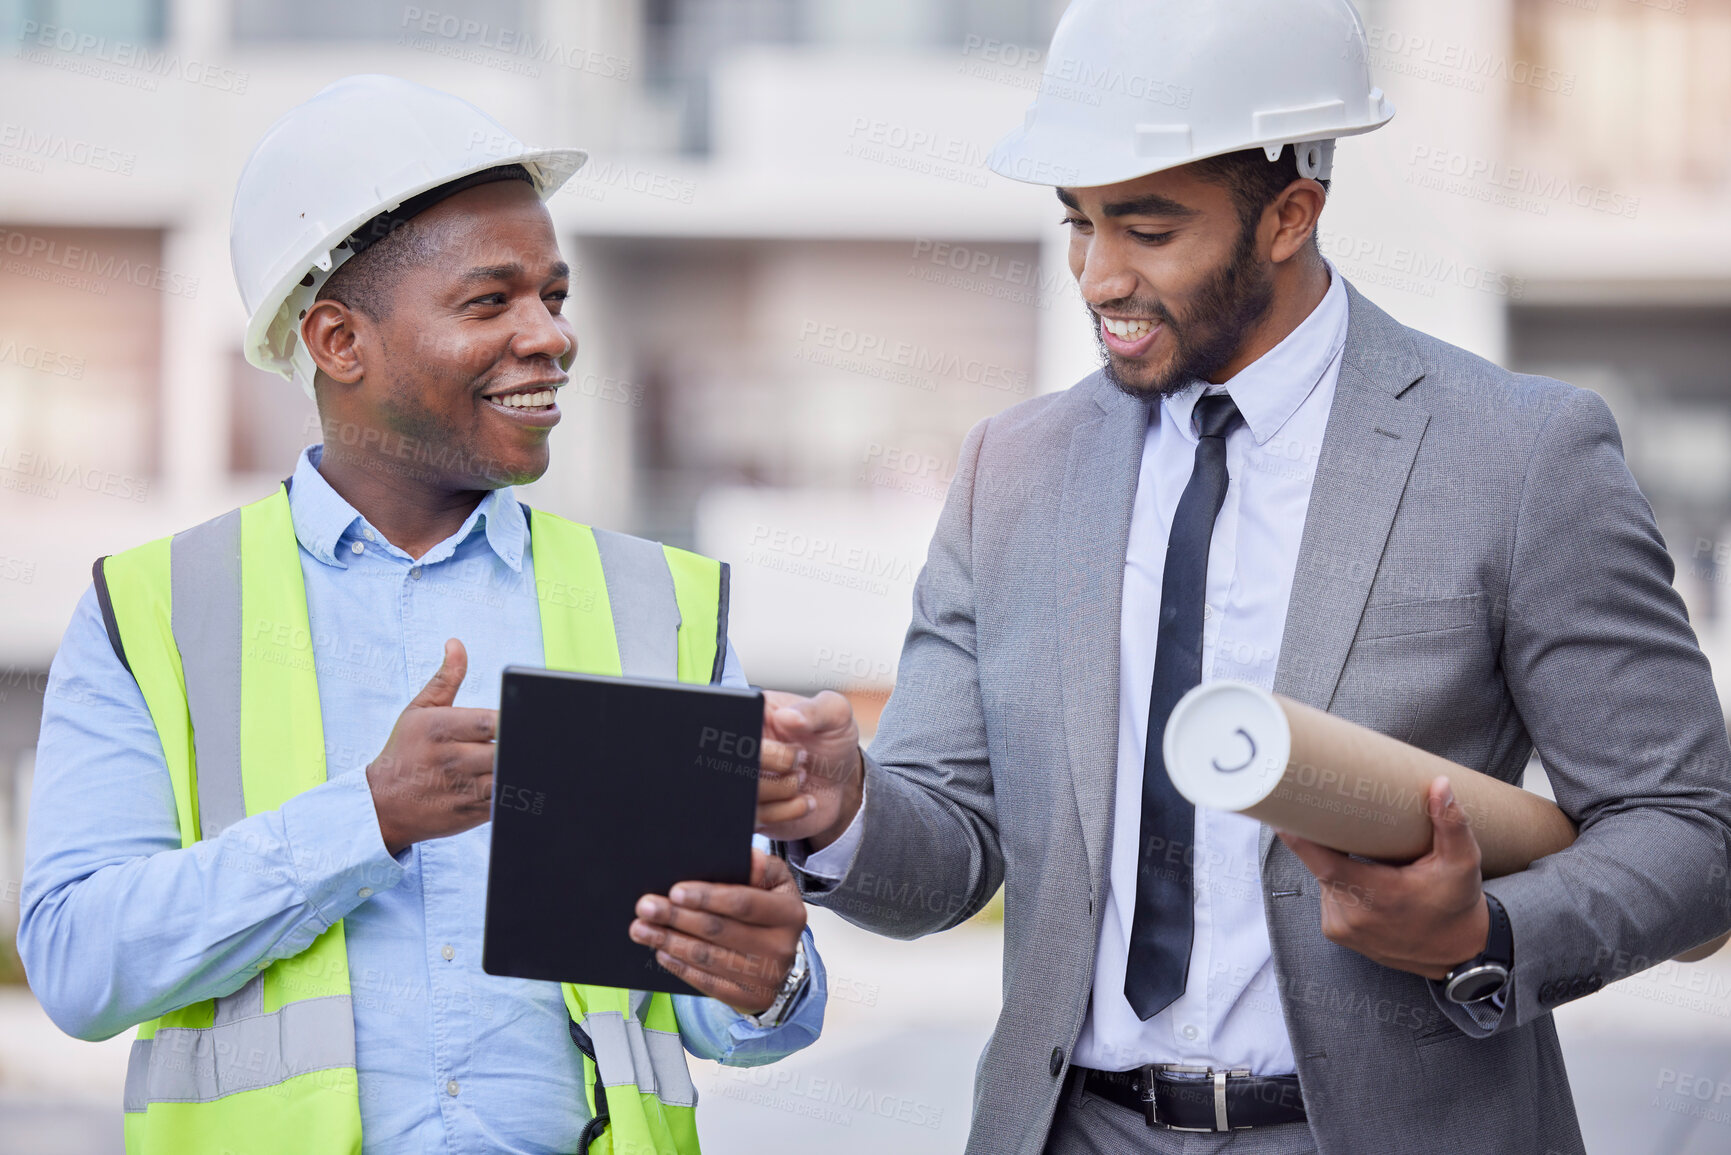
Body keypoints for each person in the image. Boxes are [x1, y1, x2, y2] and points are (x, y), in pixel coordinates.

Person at [756, 1, 1731, 1152]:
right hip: (1076, 1129)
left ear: (1291, 215)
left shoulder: (1518, 459)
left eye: (1149, 231)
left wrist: (1488, 930)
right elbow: (953, 855)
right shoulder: (1009, 473)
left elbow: (1689, 830)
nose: (1099, 277)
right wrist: (847, 809)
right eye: (1079, 225)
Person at [19, 75, 823, 1155]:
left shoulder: (659, 607)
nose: (551, 337)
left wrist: (768, 983)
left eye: (555, 295)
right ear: (340, 343)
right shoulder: (156, 613)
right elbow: (75, 965)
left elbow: (710, 1010)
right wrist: (369, 819)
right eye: (490, 302)